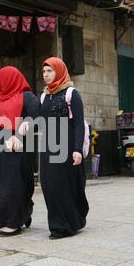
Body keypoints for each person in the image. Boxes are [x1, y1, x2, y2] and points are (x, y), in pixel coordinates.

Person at [0, 66, 40, 237]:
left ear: (11, 79)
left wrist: (23, 128)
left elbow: (39, 118)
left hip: (17, 148)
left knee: (13, 183)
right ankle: (12, 215)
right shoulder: (0, 99)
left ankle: (13, 221)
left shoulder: (27, 96)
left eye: (1, 79)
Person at [40, 57, 89, 239]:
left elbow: (78, 124)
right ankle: (59, 222)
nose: (45, 75)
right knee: (48, 184)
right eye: (44, 72)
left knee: (61, 184)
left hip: (66, 145)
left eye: (49, 71)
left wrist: (77, 149)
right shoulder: (45, 95)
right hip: (47, 145)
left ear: (59, 71)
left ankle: (64, 225)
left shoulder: (71, 94)